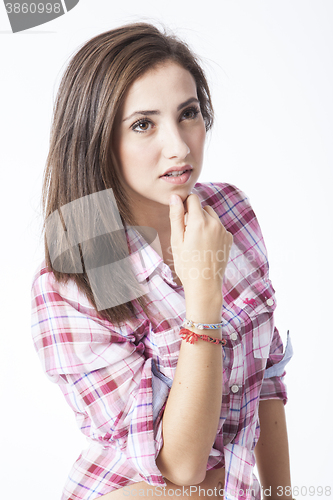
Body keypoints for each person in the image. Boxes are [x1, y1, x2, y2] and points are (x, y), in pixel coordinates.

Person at [31, 22, 293, 500]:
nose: (178, 146)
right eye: (143, 123)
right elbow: (181, 464)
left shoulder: (231, 213)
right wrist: (203, 297)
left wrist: (282, 494)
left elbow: (269, 380)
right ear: (98, 139)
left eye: (188, 113)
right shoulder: (83, 269)